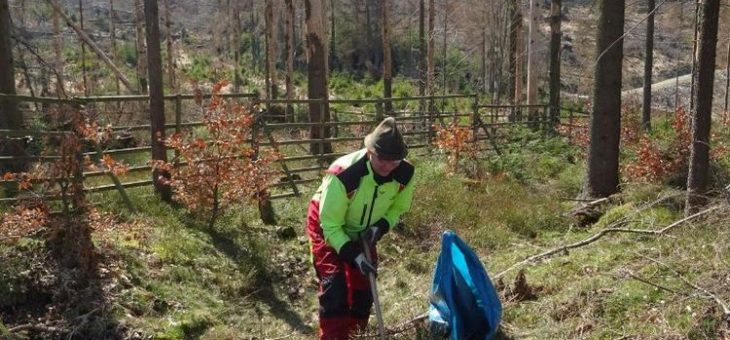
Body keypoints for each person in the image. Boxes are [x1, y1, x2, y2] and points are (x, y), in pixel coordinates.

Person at [306, 117, 416, 339]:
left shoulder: (405, 174)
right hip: (326, 224)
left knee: (364, 289)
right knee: (334, 289)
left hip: (364, 230)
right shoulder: (344, 174)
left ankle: (357, 335)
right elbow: (330, 225)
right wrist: (351, 254)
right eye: (381, 159)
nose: (387, 166)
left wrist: (381, 227)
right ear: (369, 152)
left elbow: (398, 208)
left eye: (394, 161)